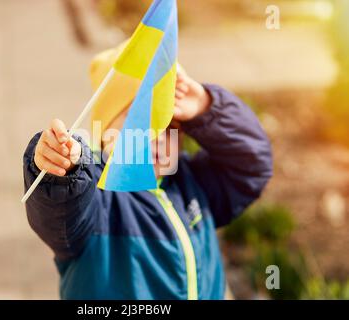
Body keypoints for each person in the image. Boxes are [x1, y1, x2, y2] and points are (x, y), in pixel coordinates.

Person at [22, 44, 273, 300]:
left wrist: (205, 107)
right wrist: (59, 171)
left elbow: (252, 164)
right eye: (139, 121)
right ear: (105, 132)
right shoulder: (97, 194)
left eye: (168, 124)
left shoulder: (195, 182)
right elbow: (60, 213)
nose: (155, 136)